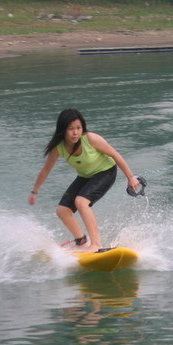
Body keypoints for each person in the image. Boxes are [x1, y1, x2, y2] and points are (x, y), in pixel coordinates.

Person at [29, 108, 140, 253]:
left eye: (78, 128)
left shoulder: (91, 139)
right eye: (71, 129)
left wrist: (130, 177)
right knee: (62, 210)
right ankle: (81, 242)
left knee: (81, 202)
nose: (75, 132)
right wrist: (34, 191)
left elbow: (115, 154)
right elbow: (45, 170)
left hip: (105, 172)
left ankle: (96, 244)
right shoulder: (59, 147)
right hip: (85, 176)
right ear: (63, 130)